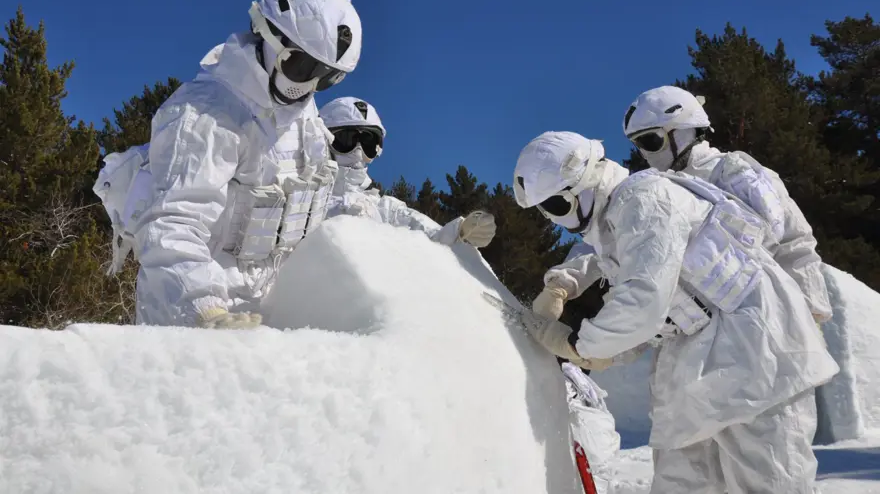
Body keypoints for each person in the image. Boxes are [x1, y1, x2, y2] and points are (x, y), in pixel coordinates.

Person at [513, 130, 838, 494]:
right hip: (699, 368)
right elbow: (655, 311)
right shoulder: (618, 229)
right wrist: (597, 337)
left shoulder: (645, 198)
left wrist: (580, 344)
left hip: (758, 357)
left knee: (769, 481)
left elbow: (644, 299)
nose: (557, 221)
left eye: (558, 206)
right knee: (681, 483)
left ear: (585, 182)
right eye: (546, 212)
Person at [126, 0, 362, 328]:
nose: (309, 86)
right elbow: (172, 223)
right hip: (199, 309)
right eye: (303, 67)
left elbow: (328, 207)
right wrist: (204, 309)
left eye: (328, 77)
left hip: (278, 307)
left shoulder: (307, 124)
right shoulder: (207, 113)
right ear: (269, 37)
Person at [622, 85, 832, 323]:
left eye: (650, 141)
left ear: (683, 130)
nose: (645, 154)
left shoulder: (734, 172)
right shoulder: (662, 190)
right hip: (708, 334)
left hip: (767, 317)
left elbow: (791, 241)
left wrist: (807, 310)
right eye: (638, 146)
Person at [318, 96, 496, 248]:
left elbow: (432, 236)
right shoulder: (302, 198)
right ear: (322, 140)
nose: (357, 151)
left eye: (367, 143)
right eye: (346, 139)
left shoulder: (381, 208)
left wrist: (462, 231)